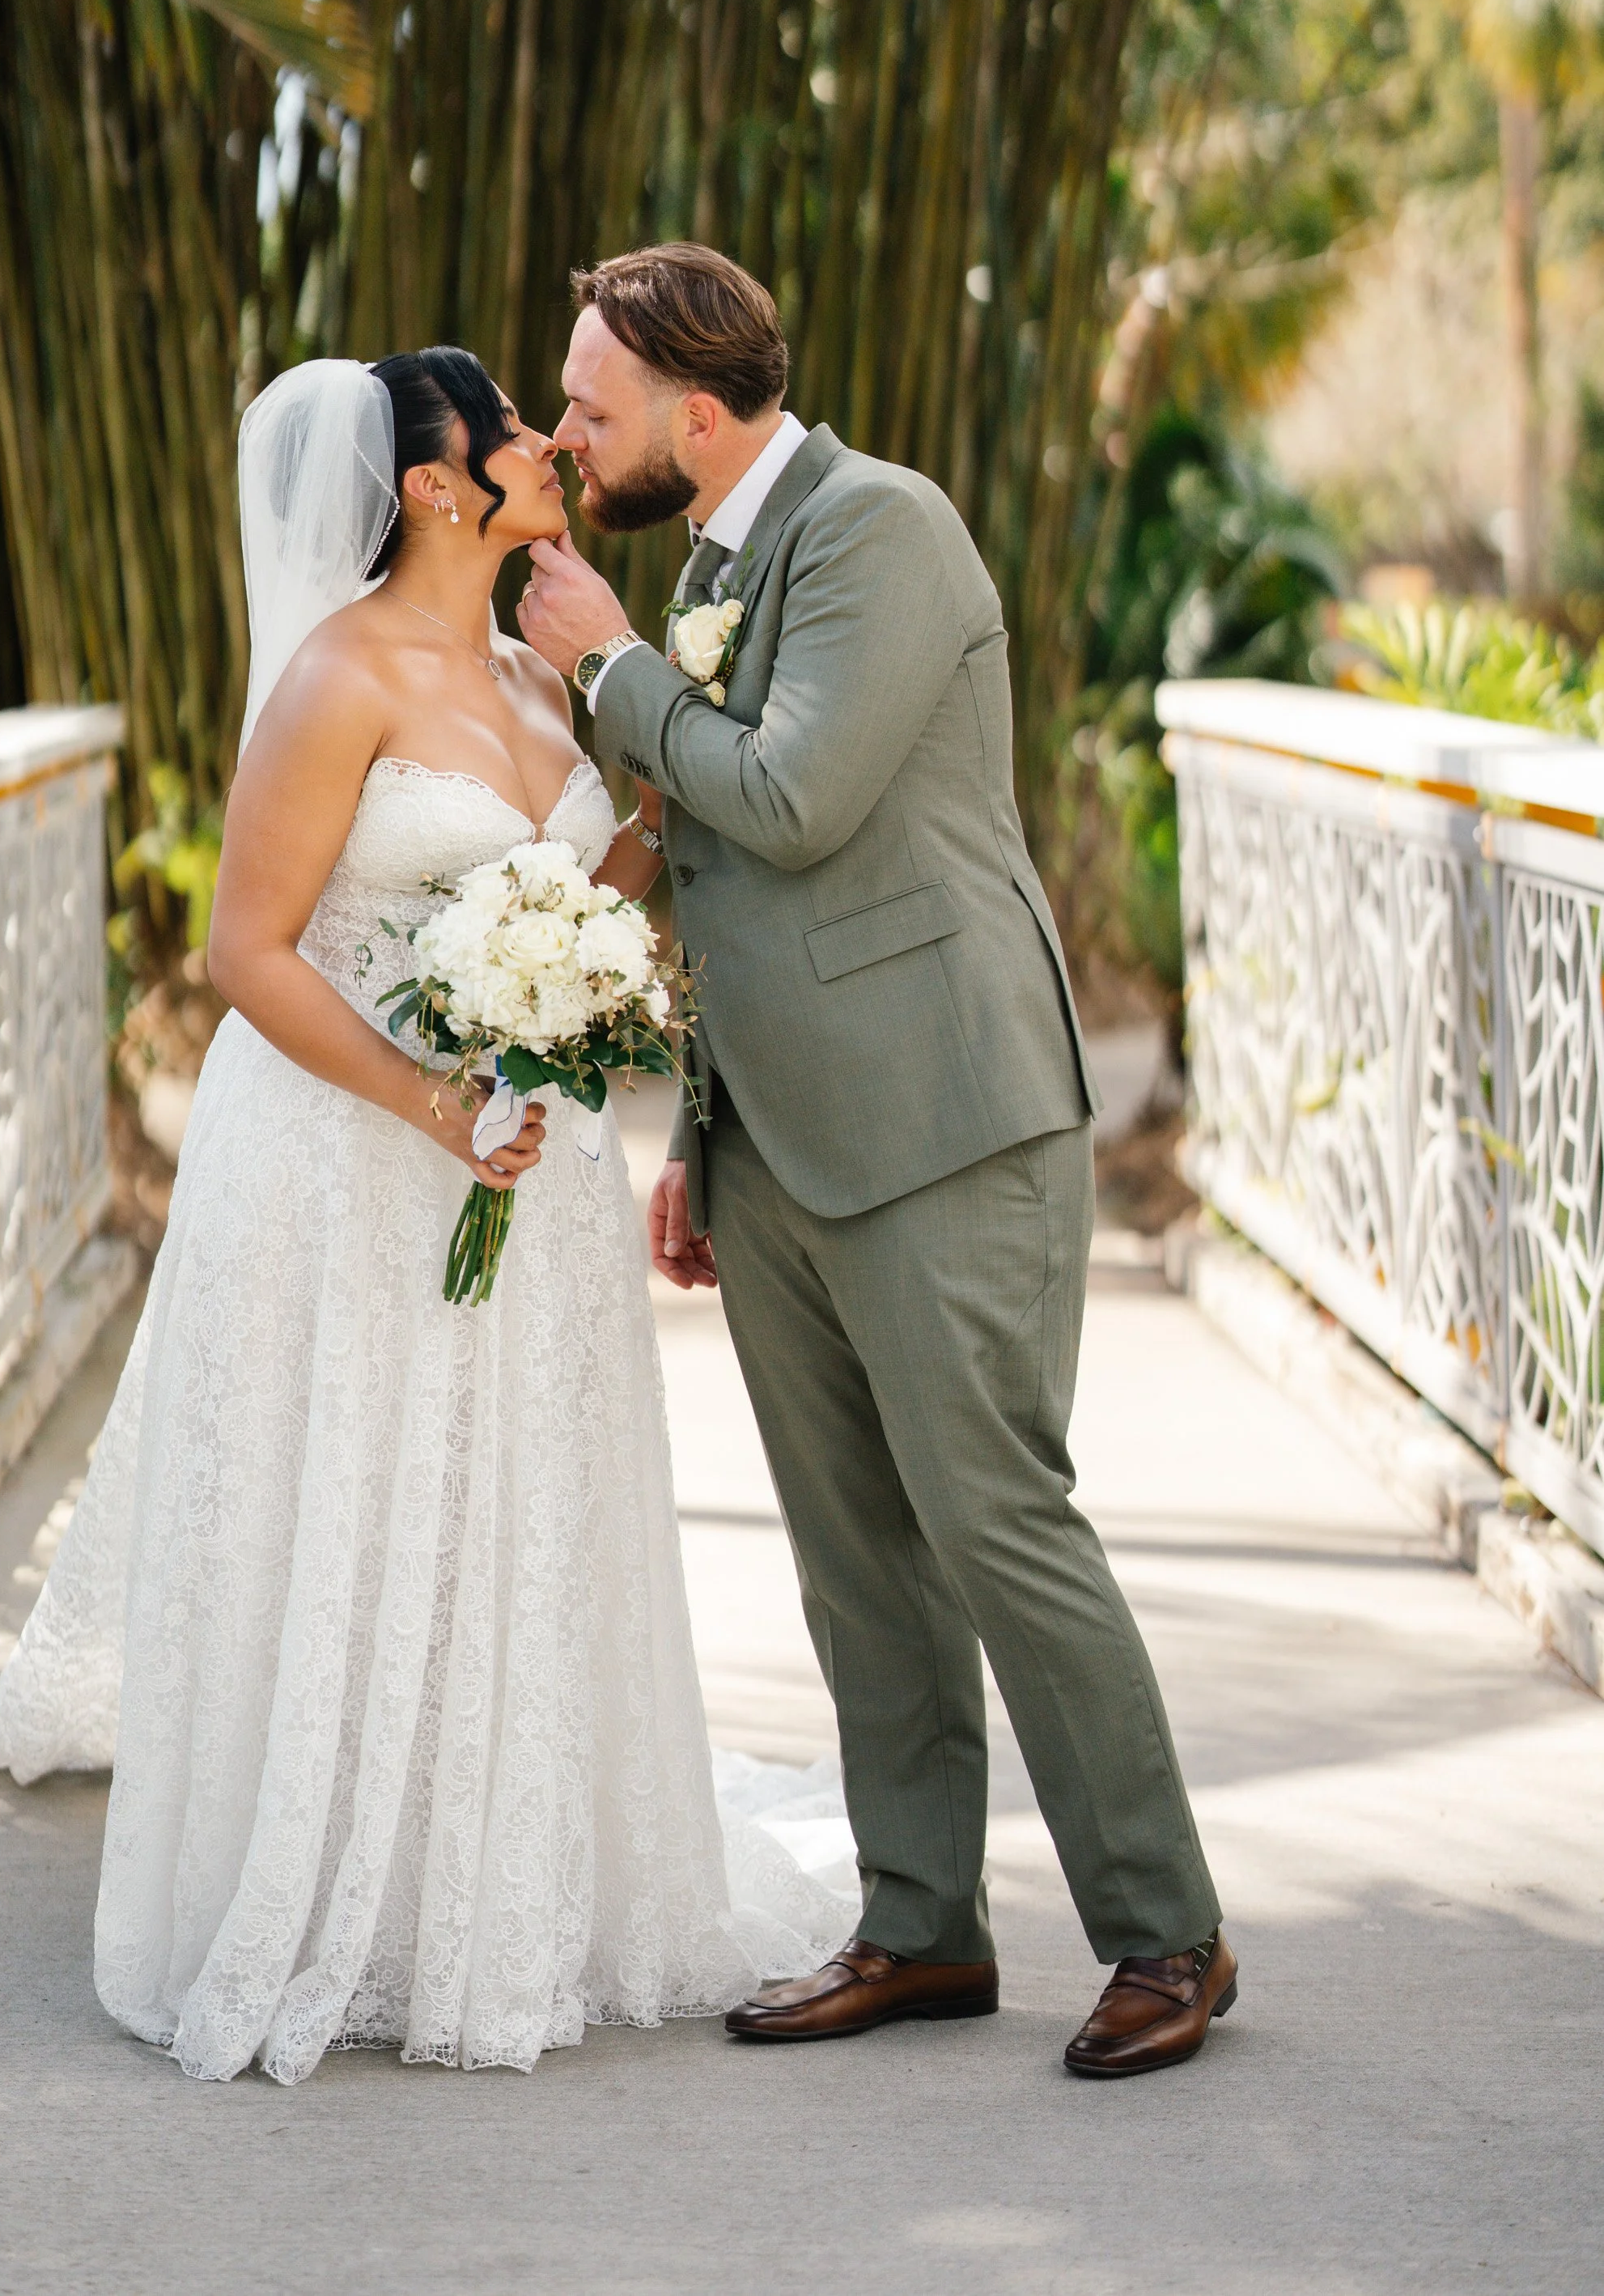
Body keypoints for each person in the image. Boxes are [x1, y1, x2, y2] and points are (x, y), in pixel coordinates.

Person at [0, 347, 851, 2082]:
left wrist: (644, 840)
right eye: (512, 430)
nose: (543, 445)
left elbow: (567, 890)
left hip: (534, 1162)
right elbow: (247, 951)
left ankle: (492, 1877)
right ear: (435, 488)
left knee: (512, 1507)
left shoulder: (531, 664)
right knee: (371, 1497)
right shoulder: (336, 676)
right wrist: (438, 1103)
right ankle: (341, 1883)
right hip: (363, 1162)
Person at [519, 244, 1236, 2080]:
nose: (574, 438)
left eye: (593, 407)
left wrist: (600, 660)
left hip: (942, 1118)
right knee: (853, 1558)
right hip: (780, 1142)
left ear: (696, 409)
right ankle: (917, 1926)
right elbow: (717, 877)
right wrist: (703, 1133)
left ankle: (1164, 1930)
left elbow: (789, 798)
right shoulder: (715, 564)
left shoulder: (876, 528)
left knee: (994, 1521)